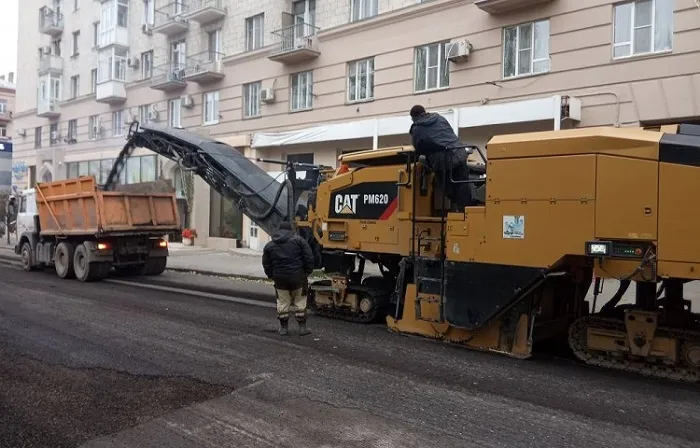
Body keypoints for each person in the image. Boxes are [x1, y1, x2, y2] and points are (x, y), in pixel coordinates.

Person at [409, 105, 472, 210]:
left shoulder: (417, 128)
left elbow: (418, 148)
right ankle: (466, 211)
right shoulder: (439, 118)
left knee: (447, 189)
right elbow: (449, 134)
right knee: (463, 186)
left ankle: (458, 211)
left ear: (413, 117)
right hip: (459, 153)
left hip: (442, 161)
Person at [262, 220, 315, 336]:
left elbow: (266, 264)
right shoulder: (299, 241)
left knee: (282, 302)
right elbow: (309, 257)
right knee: (300, 301)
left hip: (280, 279)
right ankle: (302, 328)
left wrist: (271, 275)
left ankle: (284, 328)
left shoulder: (270, 245)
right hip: (298, 278)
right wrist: (307, 272)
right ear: (290, 230)